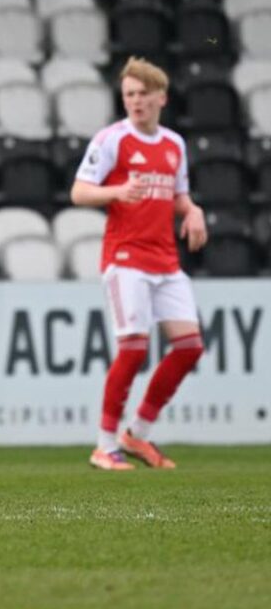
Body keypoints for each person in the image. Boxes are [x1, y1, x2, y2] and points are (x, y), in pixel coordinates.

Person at [72, 57, 208, 471]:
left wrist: (192, 211)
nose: (135, 101)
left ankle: (137, 434)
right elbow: (79, 191)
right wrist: (116, 191)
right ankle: (104, 445)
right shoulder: (112, 139)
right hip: (125, 257)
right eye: (129, 94)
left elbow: (177, 195)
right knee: (133, 348)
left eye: (143, 94)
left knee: (189, 347)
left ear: (161, 98)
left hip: (165, 259)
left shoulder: (174, 144)